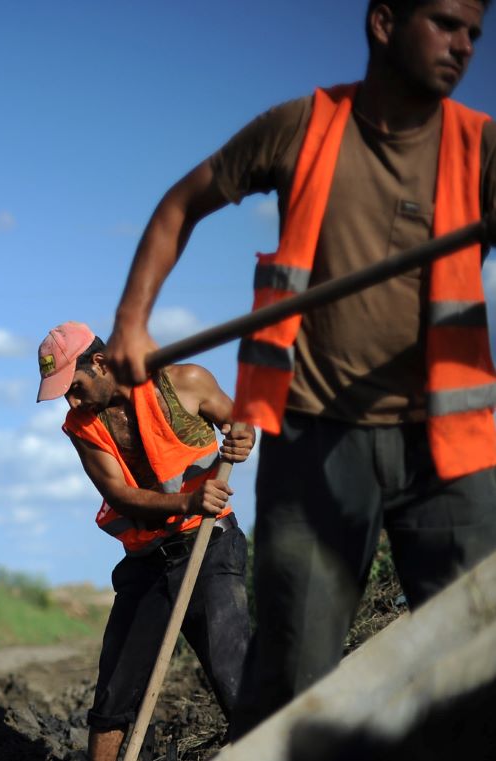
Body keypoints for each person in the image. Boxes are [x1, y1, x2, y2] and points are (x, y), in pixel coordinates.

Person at [104, 0, 496, 721]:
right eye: (445, 22)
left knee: (476, 659)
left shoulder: (482, 150)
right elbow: (180, 203)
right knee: (291, 671)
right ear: (383, 22)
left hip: (446, 450)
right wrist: (133, 321)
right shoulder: (303, 129)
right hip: (317, 437)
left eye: (475, 30)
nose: (465, 45)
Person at [37, 322, 255, 761]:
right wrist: (185, 503)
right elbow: (120, 494)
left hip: (210, 543)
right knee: (116, 688)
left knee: (232, 671)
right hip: (148, 559)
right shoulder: (82, 427)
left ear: (99, 363)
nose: (72, 403)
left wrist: (243, 435)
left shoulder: (185, 383)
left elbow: (237, 423)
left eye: (74, 388)